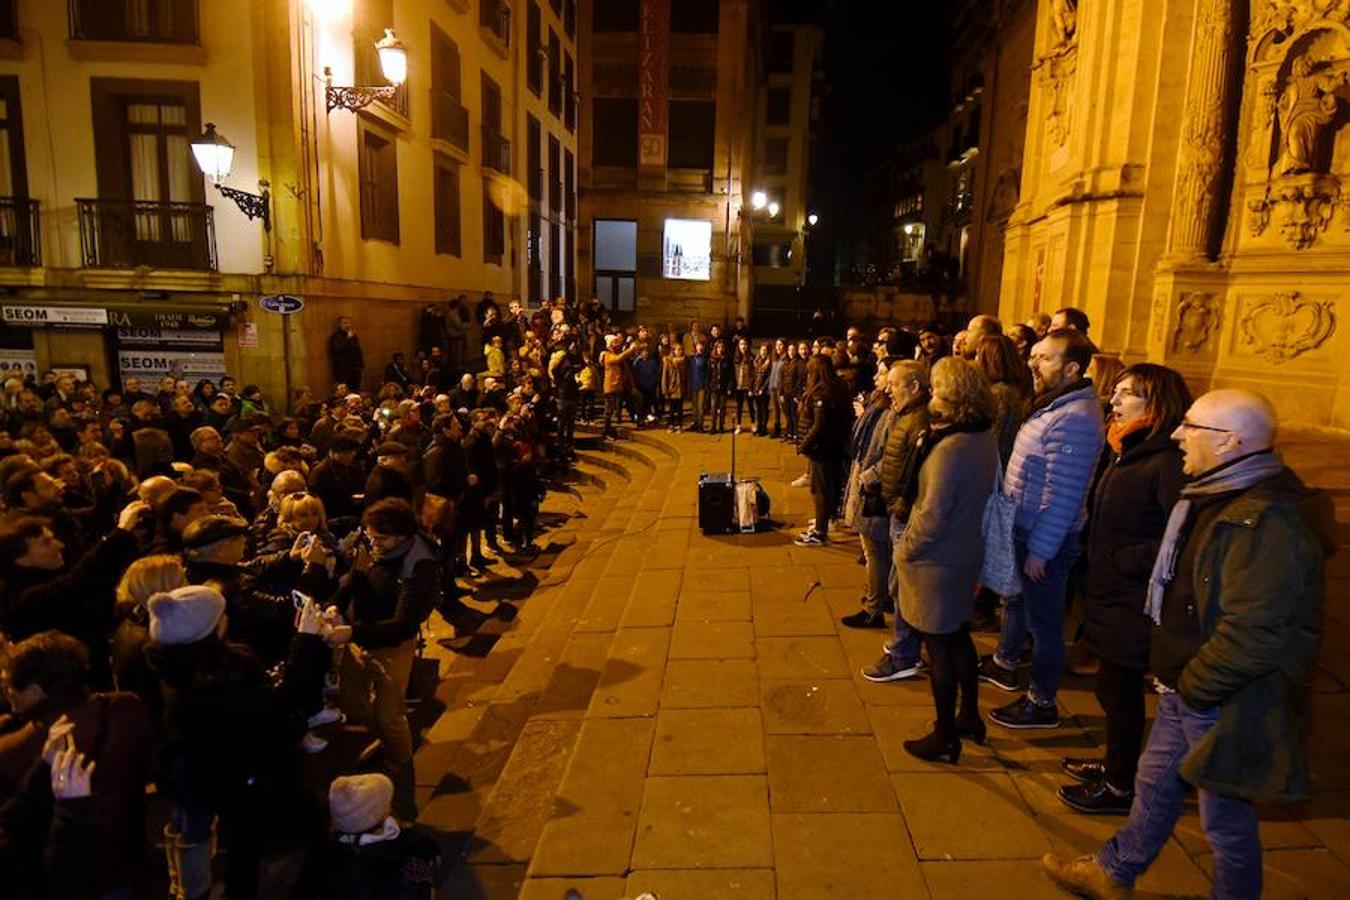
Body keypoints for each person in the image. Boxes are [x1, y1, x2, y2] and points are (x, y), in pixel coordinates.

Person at [1043, 389, 1333, 900]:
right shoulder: (1214, 494)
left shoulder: (1263, 521)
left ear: (1230, 442)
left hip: (1221, 695)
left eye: (1192, 426)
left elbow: (1254, 632)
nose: (1177, 434)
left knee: (1225, 820)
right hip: (1187, 684)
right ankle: (1114, 871)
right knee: (1155, 784)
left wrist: (1196, 685)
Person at [1056, 363, 1189, 815]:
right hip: (1109, 590)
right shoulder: (1125, 447)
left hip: (1133, 596)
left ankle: (1119, 786)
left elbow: (1181, 534)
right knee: (1111, 687)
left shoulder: (1165, 460)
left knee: (1120, 689)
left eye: (1127, 393)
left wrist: (1125, 559)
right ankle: (1118, 764)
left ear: (1157, 402)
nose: (1114, 399)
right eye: (1116, 391)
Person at [981, 329, 1104, 730]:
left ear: (1072, 369)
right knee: (1021, 605)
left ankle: (1042, 702)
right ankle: (1008, 664)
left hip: (1045, 537)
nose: (1033, 365)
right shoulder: (1055, 405)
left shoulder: (1075, 419)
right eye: (1033, 357)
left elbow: (1063, 493)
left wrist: (1041, 550)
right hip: (1029, 527)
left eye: (1045, 358)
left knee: (1045, 625)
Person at [893, 357, 999, 762]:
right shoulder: (980, 435)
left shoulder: (952, 448)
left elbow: (932, 515)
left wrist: (905, 550)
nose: (931, 394)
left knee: (938, 647)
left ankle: (945, 735)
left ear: (953, 395)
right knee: (957, 637)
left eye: (937, 387)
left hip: (937, 561)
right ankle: (969, 716)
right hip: (963, 552)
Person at [0, 631, 156, 899]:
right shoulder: (127, 707)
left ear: (35, 691)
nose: (6, 693)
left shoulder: (15, 747)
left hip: (62, 874)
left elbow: (13, 823)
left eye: (9, 686)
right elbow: (152, 768)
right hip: (124, 853)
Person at [328, 499, 441, 820]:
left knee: (390, 714)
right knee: (352, 700)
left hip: (392, 646)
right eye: (372, 536)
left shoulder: (419, 565)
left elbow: (402, 624)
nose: (375, 543)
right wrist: (336, 604)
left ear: (403, 536)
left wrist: (352, 632)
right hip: (360, 637)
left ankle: (400, 764)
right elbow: (356, 577)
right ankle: (378, 740)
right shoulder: (373, 548)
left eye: (383, 539)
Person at [861, 361, 930, 682]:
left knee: (903, 586)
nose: (888, 390)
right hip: (897, 510)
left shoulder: (918, 421)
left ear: (914, 387)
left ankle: (904, 654)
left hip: (905, 513)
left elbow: (913, 473)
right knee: (897, 583)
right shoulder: (905, 415)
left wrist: (899, 505)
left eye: (895, 384)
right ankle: (911, 645)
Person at [296, 773, 444, 898]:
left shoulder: (323, 851)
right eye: (386, 803)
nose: (390, 805)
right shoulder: (386, 861)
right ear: (376, 817)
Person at [794, 354, 851, 547]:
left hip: (822, 448)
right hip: (834, 446)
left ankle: (820, 532)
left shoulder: (822, 392)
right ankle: (825, 519)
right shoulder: (838, 386)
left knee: (820, 490)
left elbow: (819, 424)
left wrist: (804, 444)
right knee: (829, 487)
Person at [329, 316, 364, 391]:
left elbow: (357, 350)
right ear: (339, 325)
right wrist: (348, 339)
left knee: (356, 390)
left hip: (355, 369)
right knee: (346, 391)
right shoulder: (336, 337)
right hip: (344, 371)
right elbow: (339, 349)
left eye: (349, 323)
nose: (348, 325)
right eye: (345, 323)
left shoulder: (353, 336)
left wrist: (361, 365)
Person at [662, 343, 690, 432]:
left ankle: (679, 425)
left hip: (681, 388)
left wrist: (686, 388)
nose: (679, 351)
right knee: (671, 408)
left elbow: (686, 376)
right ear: (673, 351)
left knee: (679, 408)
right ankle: (671, 425)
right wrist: (665, 389)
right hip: (672, 388)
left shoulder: (684, 362)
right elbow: (665, 376)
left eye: (681, 350)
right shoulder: (668, 361)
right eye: (678, 350)